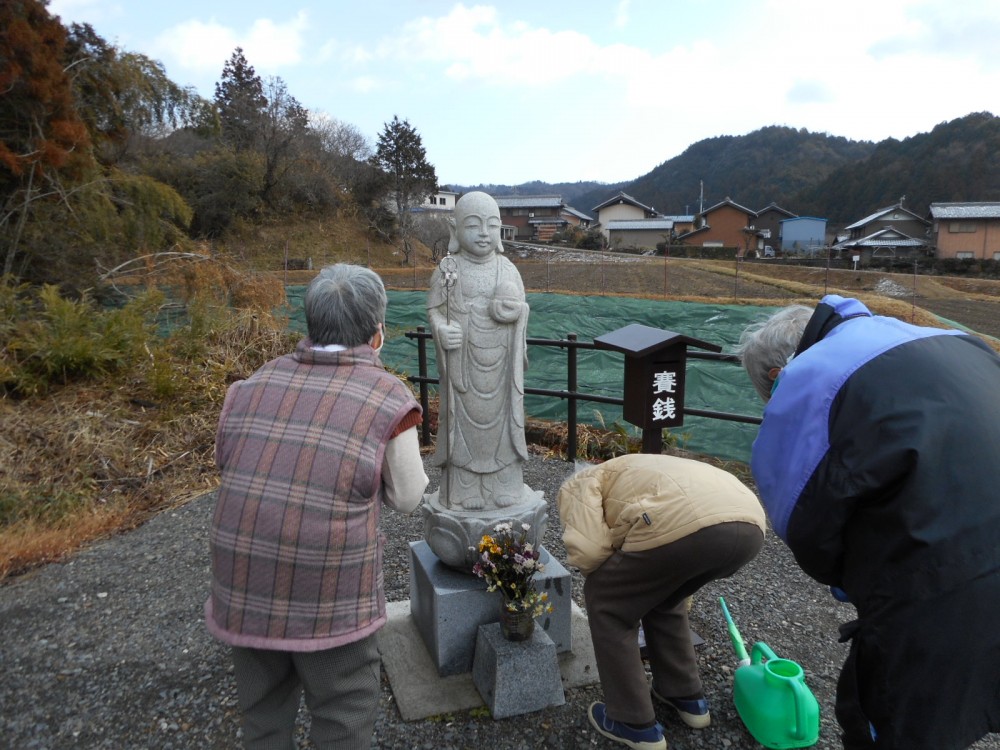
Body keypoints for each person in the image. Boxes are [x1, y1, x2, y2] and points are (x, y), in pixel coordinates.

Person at [736, 293, 1000, 750]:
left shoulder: (809, 375)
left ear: (776, 377)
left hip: (943, 582)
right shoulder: (952, 339)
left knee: (890, 716)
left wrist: (853, 580)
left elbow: (801, 520)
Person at [205, 264, 428, 749]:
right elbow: (409, 497)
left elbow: (232, 462)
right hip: (327, 590)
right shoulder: (387, 394)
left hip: (242, 583)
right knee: (343, 708)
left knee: (262, 711)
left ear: (310, 324)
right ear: (377, 335)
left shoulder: (252, 383)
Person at [557, 453, 766, 750]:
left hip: (688, 523)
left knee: (607, 600)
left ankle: (633, 722)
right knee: (666, 597)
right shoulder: (632, 468)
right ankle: (685, 696)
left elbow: (589, 554)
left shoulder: (579, 482)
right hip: (750, 525)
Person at [427, 190, 529, 510]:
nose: (484, 233)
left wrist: (517, 314)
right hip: (462, 368)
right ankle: (465, 488)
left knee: (502, 425)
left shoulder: (508, 269)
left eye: (492, 225)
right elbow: (434, 310)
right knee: (462, 425)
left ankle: (504, 483)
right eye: (474, 225)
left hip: (500, 368)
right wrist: (442, 330)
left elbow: (521, 307)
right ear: (454, 231)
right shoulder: (447, 269)